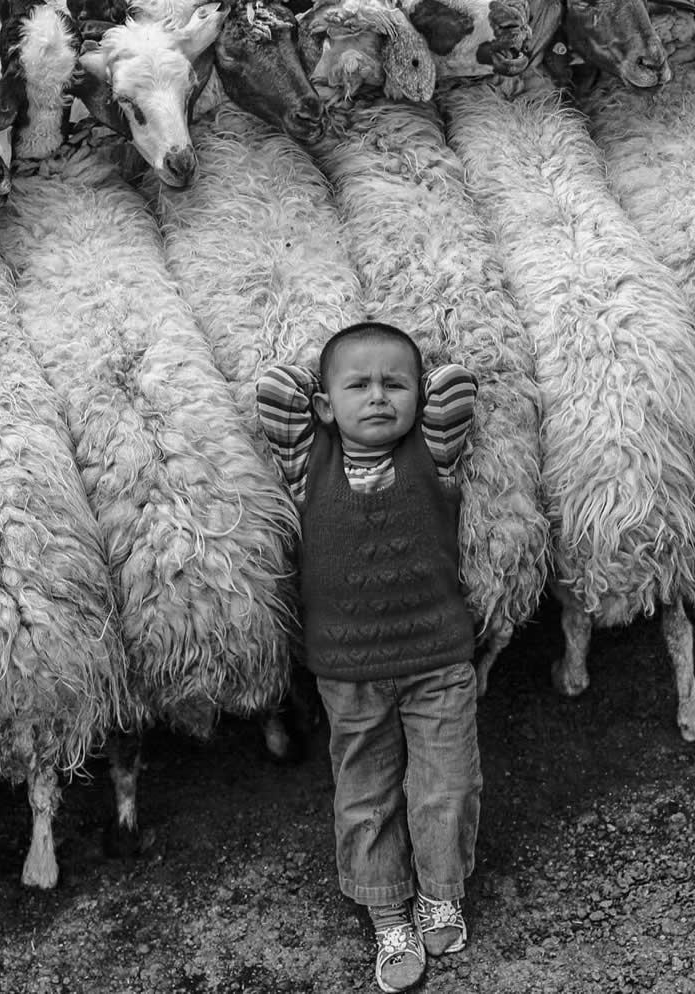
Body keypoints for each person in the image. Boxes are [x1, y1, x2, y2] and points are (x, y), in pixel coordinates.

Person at [256, 321, 482, 994]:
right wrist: (323, 385)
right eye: (359, 386)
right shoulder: (308, 463)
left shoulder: (433, 453)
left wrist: (415, 378)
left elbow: (456, 386)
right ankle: (388, 912)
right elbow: (274, 390)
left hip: (438, 658)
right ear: (324, 406)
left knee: (447, 783)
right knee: (366, 793)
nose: (378, 397)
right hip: (349, 672)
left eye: (395, 385)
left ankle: (439, 891)